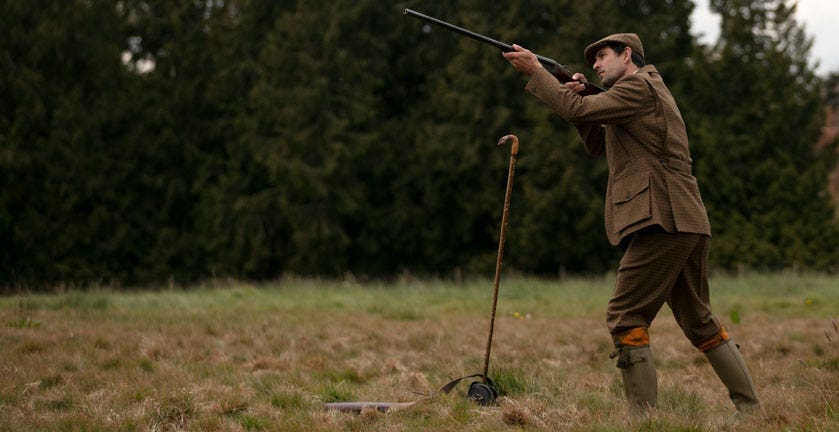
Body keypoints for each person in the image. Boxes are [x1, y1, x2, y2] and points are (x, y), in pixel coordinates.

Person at [502, 33, 760, 414]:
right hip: (682, 219)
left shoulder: (638, 87)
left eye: (603, 56)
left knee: (625, 317)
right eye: (593, 60)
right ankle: (752, 411)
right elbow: (597, 142)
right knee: (699, 322)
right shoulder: (637, 93)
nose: (595, 64)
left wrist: (538, 72)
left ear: (628, 55)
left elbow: (577, 112)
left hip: (664, 219)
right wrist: (584, 96)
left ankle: (645, 421)